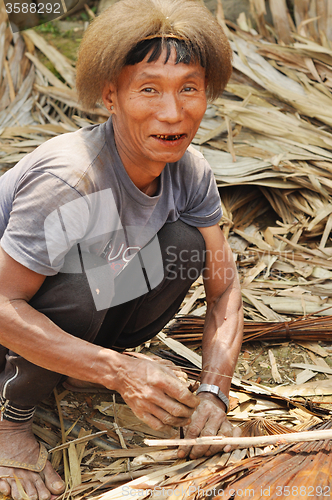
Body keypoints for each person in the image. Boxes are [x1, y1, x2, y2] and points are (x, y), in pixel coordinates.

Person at [0, 0, 243, 498]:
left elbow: (226, 288)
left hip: (68, 305)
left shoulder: (189, 171)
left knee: (185, 245)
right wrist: (120, 371)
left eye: (189, 89)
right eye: (149, 89)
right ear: (110, 96)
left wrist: (214, 391)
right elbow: (2, 306)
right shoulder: (72, 179)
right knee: (85, 286)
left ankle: (77, 365)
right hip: (15, 315)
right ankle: (9, 418)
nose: (173, 113)